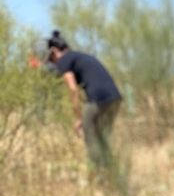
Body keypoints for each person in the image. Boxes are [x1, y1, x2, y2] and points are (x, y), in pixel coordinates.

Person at [38, 30, 122, 170]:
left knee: (91, 137)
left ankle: (99, 176)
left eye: (50, 59)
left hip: (98, 99)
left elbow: (72, 89)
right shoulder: (80, 57)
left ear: (54, 51)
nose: (53, 63)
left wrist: (78, 118)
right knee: (101, 137)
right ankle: (113, 171)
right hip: (115, 98)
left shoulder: (64, 60)